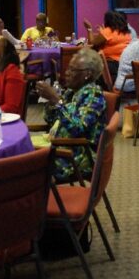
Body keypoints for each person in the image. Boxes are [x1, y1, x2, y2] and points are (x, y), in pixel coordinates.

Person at [35, 48, 106, 180]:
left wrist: (57, 100)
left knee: (21, 164)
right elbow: (50, 119)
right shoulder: (72, 91)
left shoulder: (92, 95)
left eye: (72, 70)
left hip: (77, 157)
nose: (66, 73)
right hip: (62, 147)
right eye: (67, 69)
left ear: (87, 74)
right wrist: (51, 102)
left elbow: (78, 128)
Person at [84, 11, 132, 81]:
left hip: (111, 64)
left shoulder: (108, 31)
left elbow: (92, 43)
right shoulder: (125, 32)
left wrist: (89, 28)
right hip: (123, 63)